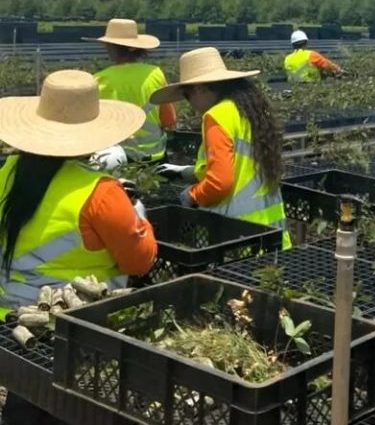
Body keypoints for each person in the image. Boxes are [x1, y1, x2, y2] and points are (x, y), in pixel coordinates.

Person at [0, 70, 158, 424]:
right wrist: (138, 214)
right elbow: (140, 261)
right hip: (79, 331)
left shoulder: (9, 172)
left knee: (26, 403)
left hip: (14, 326)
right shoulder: (101, 193)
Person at [152, 47, 291, 250]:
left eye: (187, 95)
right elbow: (242, 162)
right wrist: (188, 173)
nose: (190, 103)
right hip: (271, 232)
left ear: (199, 88)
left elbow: (220, 183)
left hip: (235, 235)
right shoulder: (248, 109)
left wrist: (192, 196)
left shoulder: (216, 116)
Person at [86, 18, 177, 166]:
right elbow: (169, 120)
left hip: (116, 160)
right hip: (155, 157)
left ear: (110, 47)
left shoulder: (98, 80)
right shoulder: (155, 74)